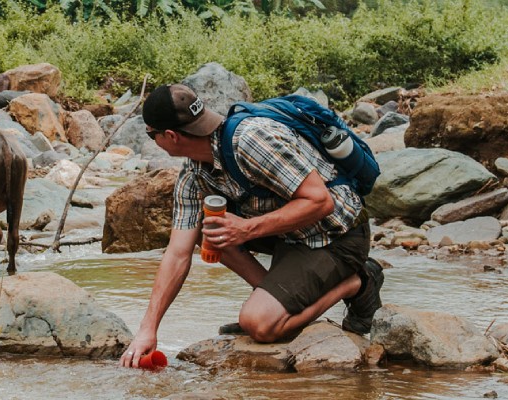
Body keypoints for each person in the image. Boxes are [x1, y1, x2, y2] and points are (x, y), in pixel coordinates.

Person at [119, 83, 384, 369]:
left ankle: (357, 283)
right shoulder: (193, 176)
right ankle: (274, 301)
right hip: (291, 236)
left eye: (151, 134)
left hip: (337, 235)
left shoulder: (251, 140)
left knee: (258, 325)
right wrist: (148, 329)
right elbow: (177, 254)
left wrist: (246, 229)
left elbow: (320, 202)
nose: (153, 140)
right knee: (210, 228)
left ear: (170, 136)